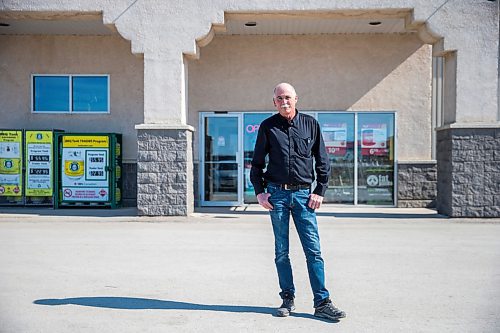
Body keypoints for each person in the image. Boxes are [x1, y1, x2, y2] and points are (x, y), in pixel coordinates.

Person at [250, 83, 346, 321]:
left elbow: (323, 161)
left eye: (288, 97)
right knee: (281, 251)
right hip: (277, 196)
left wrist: (319, 190)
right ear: (274, 102)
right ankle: (287, 299)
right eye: (280, 98)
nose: (284, 101)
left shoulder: (311, 125)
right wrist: (260, 192)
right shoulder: (268, 127)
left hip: (304, 196)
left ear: (296, 99)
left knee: (313, 251)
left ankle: (322, 302)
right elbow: (257, 164)